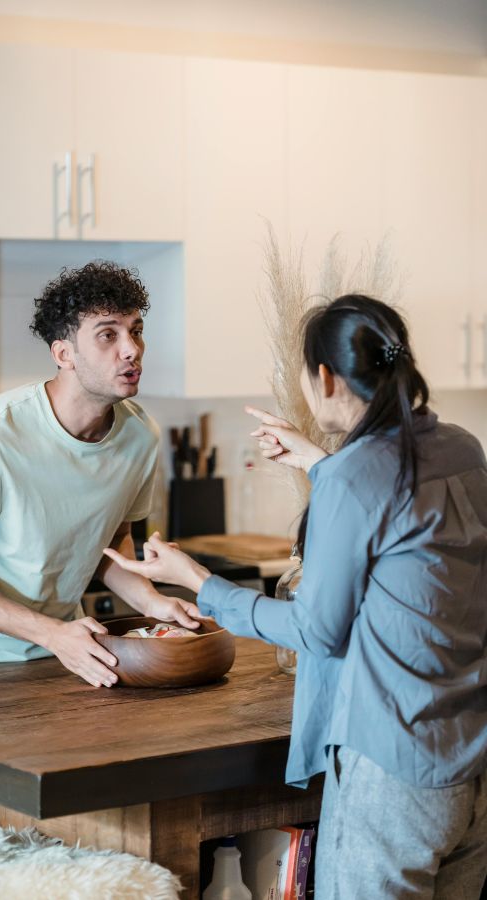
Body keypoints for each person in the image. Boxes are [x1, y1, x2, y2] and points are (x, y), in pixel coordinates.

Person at [105, 294, 487, 898]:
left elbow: (316, 630)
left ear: (326, 378)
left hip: (390, 771)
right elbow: (397, 518)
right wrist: (320, 463)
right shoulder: (463, 449)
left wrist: (199, 582)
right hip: (467, 766)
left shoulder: (356, 477)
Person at [0, 260, 201, 687]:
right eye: (108, 334)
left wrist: (153, 602)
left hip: (61, 657)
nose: (131, 349)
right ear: (63, 353)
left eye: (136, 330)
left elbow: (107, 542)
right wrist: (51, 633)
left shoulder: (140, 436)